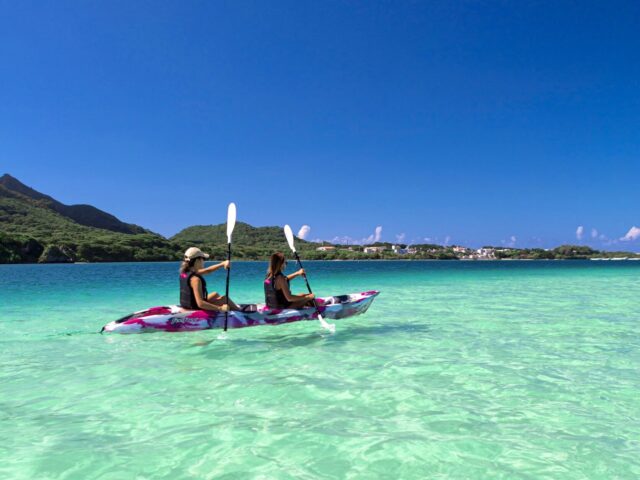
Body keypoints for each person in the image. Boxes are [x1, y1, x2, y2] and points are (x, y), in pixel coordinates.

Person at [179, 247, 239, 312]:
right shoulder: (195, 279)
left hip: (188, 305)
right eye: (203, 259)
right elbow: (200, 304)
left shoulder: (185, 273)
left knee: (215, 294)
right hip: (195, 309)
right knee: (225, 299)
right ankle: (242, 314)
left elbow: (208, 270)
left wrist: (222, 264)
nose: (204, 261)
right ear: (197, 260)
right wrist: (221, 308)